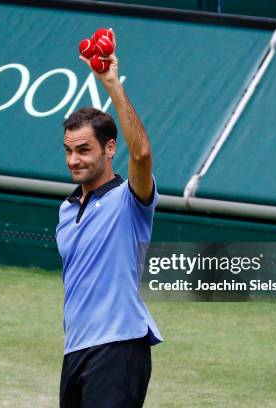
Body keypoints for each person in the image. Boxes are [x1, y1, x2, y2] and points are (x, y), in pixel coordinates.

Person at [56, 29, 163, 408]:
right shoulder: (66, 210)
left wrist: (111, 83)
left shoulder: (129, 200)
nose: (74, 160)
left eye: (84, 150)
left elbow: (143, 155)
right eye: (69, 151)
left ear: (109, 148)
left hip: (119, 348)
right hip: (76, 351)